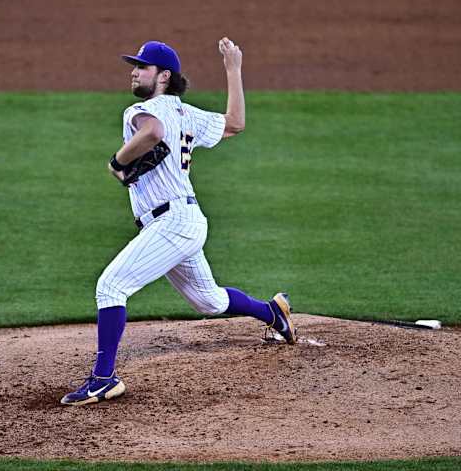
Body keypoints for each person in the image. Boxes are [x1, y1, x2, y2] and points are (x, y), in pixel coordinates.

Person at [61, 38, 297, 406]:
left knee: (110, 287)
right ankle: (272, 312)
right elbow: (235, 123)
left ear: (163, 76)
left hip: (173, 224)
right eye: (134, 65)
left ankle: (103, 378)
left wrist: (118, 162)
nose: (134, 71)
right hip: (182, 222)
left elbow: (152, 132)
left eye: (142, 66)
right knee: (209, 301)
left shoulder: (140, 111)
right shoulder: (188, 114)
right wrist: (233, 69)